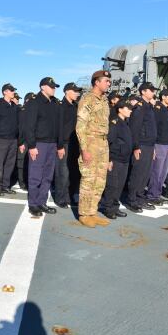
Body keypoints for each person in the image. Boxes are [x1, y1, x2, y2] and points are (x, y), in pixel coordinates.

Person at [23, 77, 64, 217]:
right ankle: (33, 204)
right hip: (39, 144)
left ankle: (41, 202)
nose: (54, 89)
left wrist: (60, 145)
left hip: (52, 145)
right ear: (42, 87)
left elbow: (59, 126)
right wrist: (32, 145)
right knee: (35, 176)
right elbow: (29, 126)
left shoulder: (55, 104)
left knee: (47, 176)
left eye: (55, 87)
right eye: (51, 86)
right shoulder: (34, 103)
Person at [75, 71, 112, 226]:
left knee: (100, 180)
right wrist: (84, 149)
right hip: (90, 142)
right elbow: (80, 126)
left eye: (109, 81)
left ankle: (92, 212)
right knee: (88, 179)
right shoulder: (87, 99)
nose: (109, 83)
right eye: (106, 81)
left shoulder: (104, 100)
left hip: (103, 144)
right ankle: (84, 214)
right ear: (96, 82)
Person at [126, 82, 158, 213]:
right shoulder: (139, 107)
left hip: (149, 145)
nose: (153, 92)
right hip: (141, 145)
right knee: (138, 173)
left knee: (145, 174)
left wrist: (153, 147)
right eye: (150, 90)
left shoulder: (148, 106)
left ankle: (140, 197)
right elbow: (135, 128)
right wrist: (136, 146)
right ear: (143, 91)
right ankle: (132, 200)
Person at [100, 98, 133, 220]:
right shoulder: (114, 122)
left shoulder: (125, 122)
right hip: (115, 159)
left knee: (119, 186)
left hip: (124, 159)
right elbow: (108, 142)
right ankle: (108, 208)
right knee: (112, 185)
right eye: (128, 108)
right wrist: (109, 160)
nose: (130, 110)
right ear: (120, 109)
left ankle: (115, 206)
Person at [53, 82, 82, 208]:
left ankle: (70, 196)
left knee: (74, 171)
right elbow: (58, 128)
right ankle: (61, 198)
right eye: (74, 91)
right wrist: (59, 146)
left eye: (77, 91)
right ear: (66, 92)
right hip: (64, 143)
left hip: (75, 143)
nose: (77, 93)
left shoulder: (76, 106)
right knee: (62, 172)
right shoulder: (61, 106)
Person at [0, 84, 19, 196]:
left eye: (13, 91)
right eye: (11, 91)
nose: (13, 93)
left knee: (9, 165)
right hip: (0, 140)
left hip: (13, 140)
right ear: (5, 92)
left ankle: (6, 186)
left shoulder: (14, 106)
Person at [146, 89, 168, 205]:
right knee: (157, 171)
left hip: (166, 144)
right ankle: (152, 195)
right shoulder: (158, 109)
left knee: (163, 172)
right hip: (159, 144)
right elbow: (154, 128)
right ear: (164, 98)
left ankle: (157, 193)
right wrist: (153, 147)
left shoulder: (166, 109)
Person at [16, 92, 35, 191]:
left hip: (32, 140)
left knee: (30, 162)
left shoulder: (33, 111)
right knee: (21, 163)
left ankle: (28, 181)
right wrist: (21, 142)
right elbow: (21, 128)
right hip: (24, 141)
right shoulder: (23, 111)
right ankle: (22, 182)